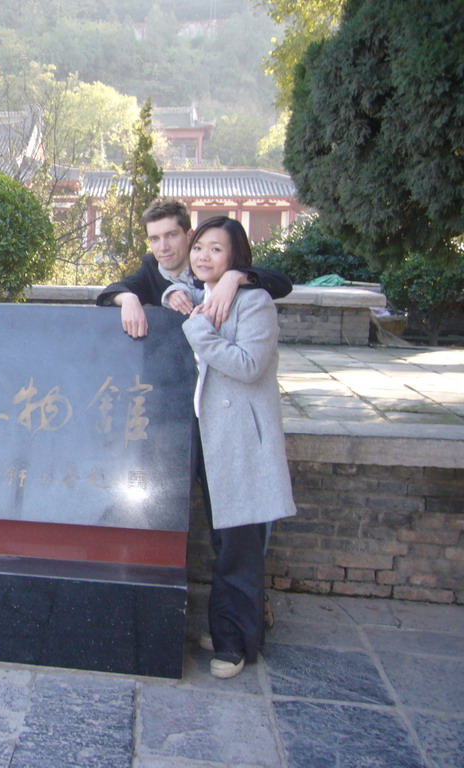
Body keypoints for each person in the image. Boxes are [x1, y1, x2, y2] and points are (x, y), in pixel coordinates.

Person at [170, 216, 296, 678]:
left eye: (216, 249)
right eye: (199, 246)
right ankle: (230, 625)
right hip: (207, 435)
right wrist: (174, 297)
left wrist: (200, 332)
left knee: (239, 543)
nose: (203, 256)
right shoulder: (198, 295)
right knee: (222, 539)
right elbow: (168, 286)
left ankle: (235, 644)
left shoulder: (255, 302)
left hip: (241, 438)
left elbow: (248, 365)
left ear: (236, 258)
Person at [96, 199, 292, 338]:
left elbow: (282, 284)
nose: (163, 247)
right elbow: (107, 294)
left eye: (171, 235)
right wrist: (129, 298)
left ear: (189, 235)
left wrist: (234, 277)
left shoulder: (210, 267)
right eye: (155, 239)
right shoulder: (150, 271)